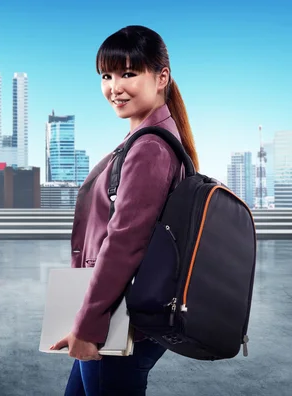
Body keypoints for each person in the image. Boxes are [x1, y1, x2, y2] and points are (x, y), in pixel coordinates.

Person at [49, 25, 200, 395]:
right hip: (121, 316)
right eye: (106, 75)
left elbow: (124, 243)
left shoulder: (149, 148)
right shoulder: (155, 138)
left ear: (161, 76)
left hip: (120, 320)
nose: (114, 87)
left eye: (128, 73)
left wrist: (88, 326)